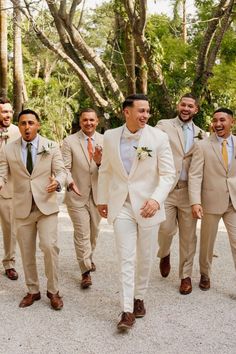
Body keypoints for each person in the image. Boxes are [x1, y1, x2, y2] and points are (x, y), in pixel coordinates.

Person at [97, 94, 175, 331]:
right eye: (141, 111)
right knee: (126, 256)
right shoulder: (110, 136)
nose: (146, 115)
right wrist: (102, 199)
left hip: (149, 207)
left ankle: (139, 296)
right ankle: (127, 310)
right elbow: (106, 171)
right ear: (126, 112)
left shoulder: (159, 137)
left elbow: (168, 174)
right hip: (122, 206)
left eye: (148, 111)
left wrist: (156, 200)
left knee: (145, 256)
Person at [0, 109, 66, 310]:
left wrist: (58, 183)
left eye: (30, 123)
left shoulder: (51, 146)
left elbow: (62, 171)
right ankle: (33, 290)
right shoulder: (8, 149)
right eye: (22, 123)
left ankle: (53, 291)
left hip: (46, 205)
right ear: (18, 126)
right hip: (21, 207)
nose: (26, 127)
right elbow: (3, 174)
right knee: (26, 251)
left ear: (38, 125)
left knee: (48, 246)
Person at [156, 93, 206, 295]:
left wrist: (197, 200)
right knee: (165, 230)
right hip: (167, 189)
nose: (186, 109)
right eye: (183, 105)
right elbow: (151, 145)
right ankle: (164, 253)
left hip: (189, 191)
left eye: (190, 106)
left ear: (196, 110)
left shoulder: (202, 134)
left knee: (188, 237)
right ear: (179, 106)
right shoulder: (163, 125)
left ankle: (185, 276)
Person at [189, 107, 236, 291]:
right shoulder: (202, 146)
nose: (218, 124)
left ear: (231, 122)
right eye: (215, 120)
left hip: (233, 202)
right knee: (207, 242)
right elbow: (195, 175)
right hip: (210, 201)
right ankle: (205, 273)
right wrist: (195, 201)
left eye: (222, 120)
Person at [61, 108, 103, 289]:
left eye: (92, 120)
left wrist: (100, 162)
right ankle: (85, 271)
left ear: (97, 121)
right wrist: (70, 183)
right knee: (82, 233)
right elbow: (64, 168)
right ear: (80, 122)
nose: (88, 123)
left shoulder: (105, 140)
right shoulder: (69, 141)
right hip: (76, 195)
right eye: (85, 120)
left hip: (98, 196)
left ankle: (89, 257)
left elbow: (111, 170)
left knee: (94, 233)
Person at [0, 97, 21, 280]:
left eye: (9, 111)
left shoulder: (18, 132)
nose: (7, 115)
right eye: (3, 111)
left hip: (8, 189)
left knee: (10, 229)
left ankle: (9, 263)